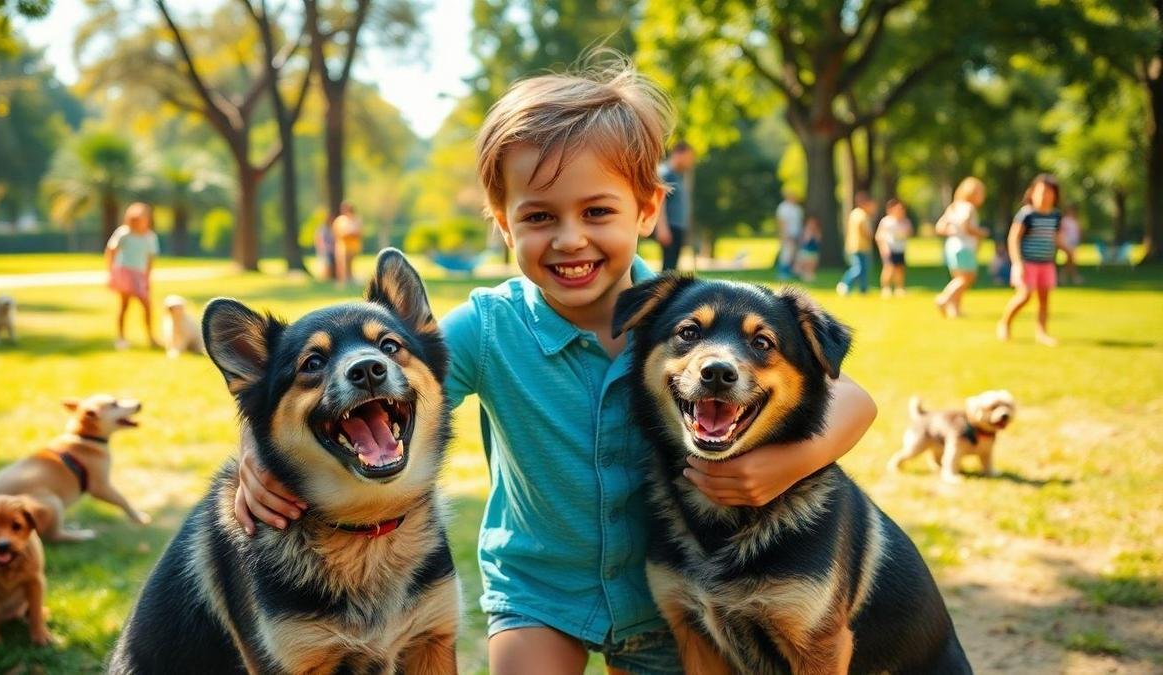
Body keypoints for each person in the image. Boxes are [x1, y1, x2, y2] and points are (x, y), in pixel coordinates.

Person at [230, 62, 877, 675]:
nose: (570, 239)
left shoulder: (691, 318)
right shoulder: (487, 328)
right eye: (539, 217)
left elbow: (856, 399)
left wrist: (785, 464)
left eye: (597, 211)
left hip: (670, 590)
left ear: (648, 209)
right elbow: (351, 394)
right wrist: (258, 459)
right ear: (504, 226)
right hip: (538, 592)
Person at [998, 174, 1065, 346]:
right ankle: (1004, 324)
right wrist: (1017, 263)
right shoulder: (1026, 214)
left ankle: (1041, 332)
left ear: (1055, 195)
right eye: (1041, 192)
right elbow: (1013, 239)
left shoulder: (1056, 216)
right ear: (1032, 193)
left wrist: (1068, 251)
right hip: (1027, 263)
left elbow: (1056, 238)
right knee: (1024, 296)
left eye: (1049, 192)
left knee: (1044, 300)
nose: (1044, 196)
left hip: (1046, 263)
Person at [105, 202, 160, 350]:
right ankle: (121, 338)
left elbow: (150, 260)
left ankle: (151, 337)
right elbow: (111, 250)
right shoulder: (124, 233)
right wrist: (110, 272)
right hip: (125, 273)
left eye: (142, 219)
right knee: (124, 306)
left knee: (147, 306)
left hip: (140, 275)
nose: (139, 222)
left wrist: (147, 278)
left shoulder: (149, 237)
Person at [934, 177, 988, 318]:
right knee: (967, 279)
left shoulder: (953, 207)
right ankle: (944, 299)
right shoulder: (968, 207)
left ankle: (955, 310)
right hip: (964, 247)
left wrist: (952, 232)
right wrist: (980, 232)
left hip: (951, 245)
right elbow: (966, 226)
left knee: (958, 278)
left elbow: (939, 227)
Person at [653, 141, 695, 271]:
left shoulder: (680, 175)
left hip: (678, 226)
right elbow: (659, 202)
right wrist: (662, 228)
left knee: (673, 266)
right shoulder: (666, 174)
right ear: (678, 154)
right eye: (689, 157)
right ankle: (663, 291)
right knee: (668, 267)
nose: (691, 161)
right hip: (669, 227)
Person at [836, 191, 877, 296]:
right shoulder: (861, 215)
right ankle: (844, 284)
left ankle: (864, 289)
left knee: (864, 270)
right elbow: (866, 231)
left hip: (858, 246)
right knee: (858, 269)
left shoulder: (855, 213)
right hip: (858, 246)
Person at [875, 198, 912, 297]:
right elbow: (879, 236)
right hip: (889, 248)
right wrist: (883, 247)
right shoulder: (886, 221)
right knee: (889, 268)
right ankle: (885, 288)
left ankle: (899, 288)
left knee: (900, 269)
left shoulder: (905, 221)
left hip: (900, 248)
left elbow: (909, 233)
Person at [775, 189, 804, 280]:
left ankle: (792, 272)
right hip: (787, 234)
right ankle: (783, 273)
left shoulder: (797, 208)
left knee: (795, 255)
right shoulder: (783, 207)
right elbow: (781, 222)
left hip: (797, 234)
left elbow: (800, 222)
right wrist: (784, 235)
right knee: (786, 255)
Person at [332, 201, 362, 286]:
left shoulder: (356, 219)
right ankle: (343, 281)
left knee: (349, 264)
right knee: (342, 264)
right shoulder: (340, 220)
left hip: (353, 246)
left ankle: (349, 279)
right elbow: (337, 233)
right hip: (342, 246)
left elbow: (359, 233)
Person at [1059, 205, 1083, 285]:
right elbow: (1062, 232)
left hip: (1074, 242)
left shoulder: (1076, 220)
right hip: (1067, 243)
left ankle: (1064, 277)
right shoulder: (1065, 220)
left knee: (1070, 261)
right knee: (1070, 260)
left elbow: (1078, 231)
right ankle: (1074, 277)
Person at [793, 214, 822, 283]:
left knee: (810, 268)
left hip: (813, 252)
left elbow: (818, 241)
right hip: (805, 251)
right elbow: (804, 242)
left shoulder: (817, 231)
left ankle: (807, 275)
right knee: (800, 267)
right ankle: (801, 274)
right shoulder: (805, 230)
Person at [314, 216, 336, 282]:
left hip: (330, 249)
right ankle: (325, 278)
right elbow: (320, 240)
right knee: (326, 263)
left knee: (329, 264)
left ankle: (328, 277)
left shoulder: (331, 229)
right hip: (325, 250)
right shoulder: (323, 229)